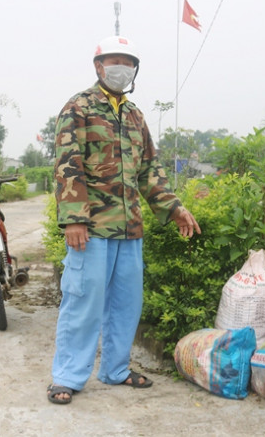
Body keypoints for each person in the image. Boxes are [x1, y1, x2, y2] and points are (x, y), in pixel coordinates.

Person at [47, 35, 201, 405]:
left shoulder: (134, 115)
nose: (121, 68)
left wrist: (174, 207)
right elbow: (68, 165)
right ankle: (67, 376)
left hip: (130, 228)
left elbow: (150, 169)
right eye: (114, 61)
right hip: (92, 227)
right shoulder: (78, 107)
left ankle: (115, 369)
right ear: (99, 66)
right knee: (82, 300)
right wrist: (73, 219)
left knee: (126, 303)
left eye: (127, 62)